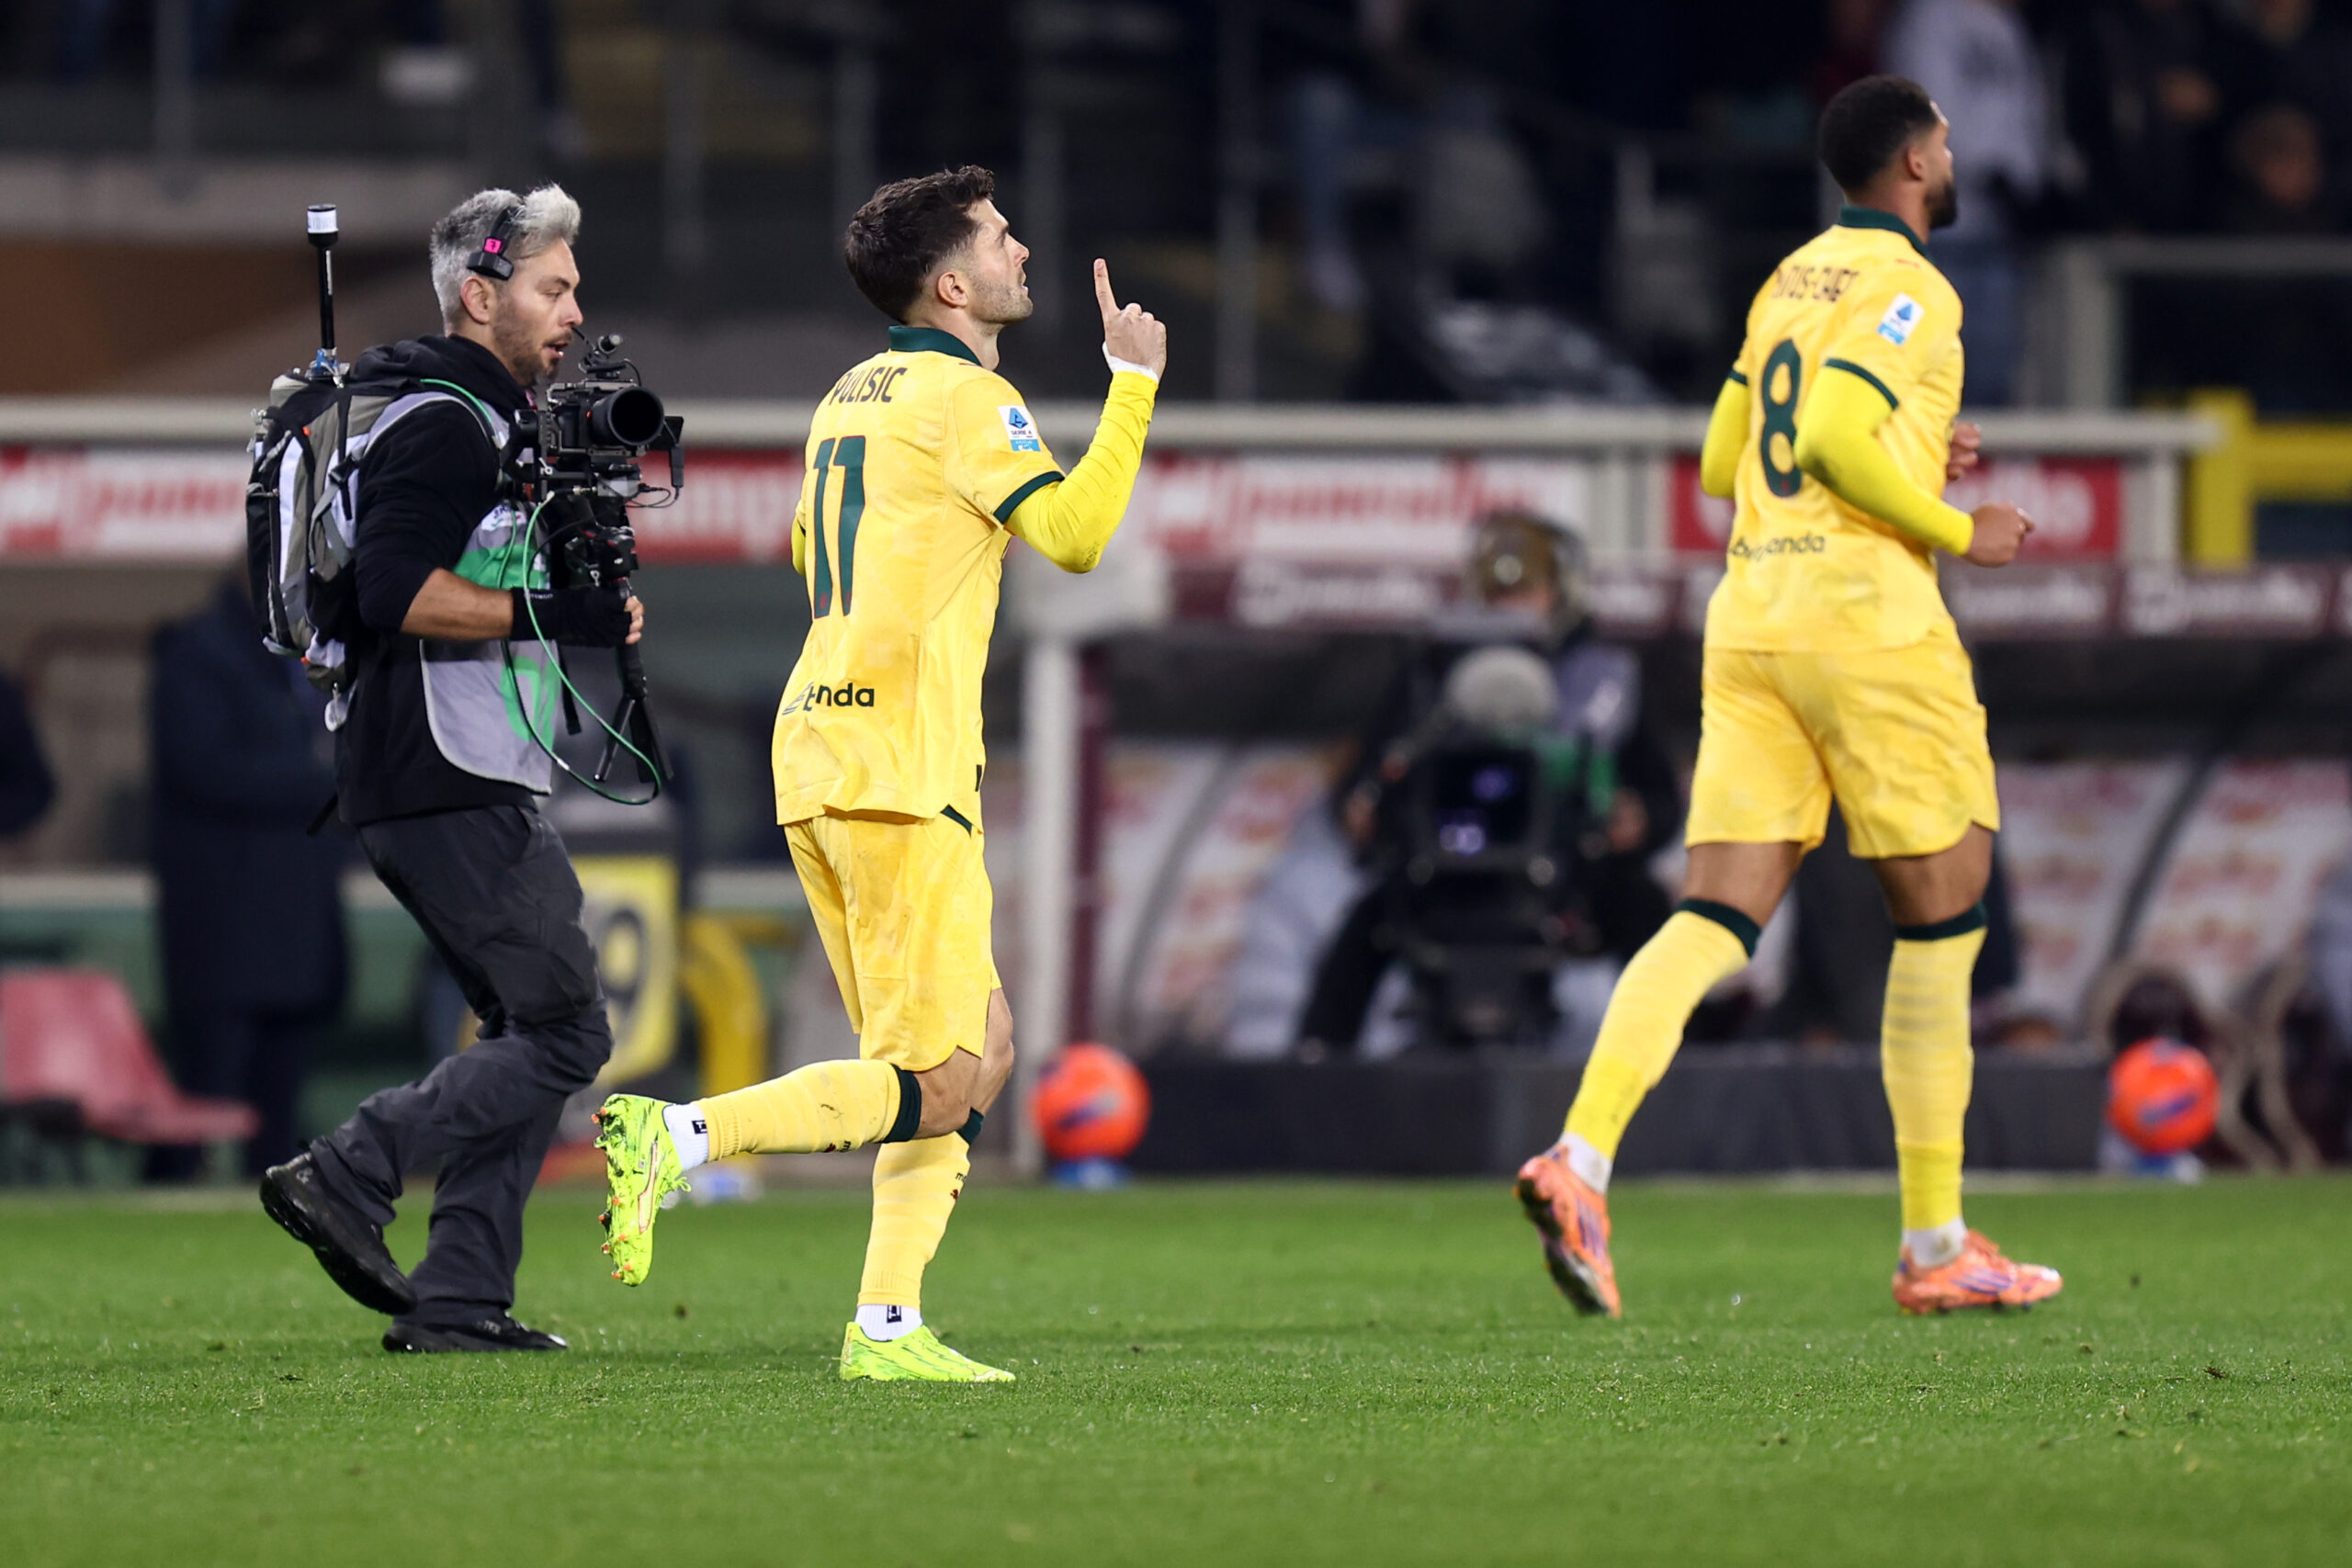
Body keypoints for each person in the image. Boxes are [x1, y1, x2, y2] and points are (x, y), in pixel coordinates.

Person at [592, 166, 1165, 1382]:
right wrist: (1133, 385)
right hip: (902, 765)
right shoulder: (971, 397)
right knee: (940, 1076)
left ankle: (888, 1325)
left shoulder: (846, 398)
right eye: (998, 238)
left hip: (822, 745)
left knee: (977, 1049)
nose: (1021, 251)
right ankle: (680, 1133)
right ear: (950, 285)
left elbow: (819, 555)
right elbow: (1072, 537)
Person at [1512, 75, 2060, 1320]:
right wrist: (1956, 524)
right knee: (1943, 916)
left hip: (1755, 612)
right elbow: (1829, 440)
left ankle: (1581, 1161)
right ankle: (1935, 1244)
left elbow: (1725, 458)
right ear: (1913, 162)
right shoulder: (1915, 286)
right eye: (1945, 141)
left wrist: (1911, 447)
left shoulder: (1790, 278)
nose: (1953, 155)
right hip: (1868, 623)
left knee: (1714, 912)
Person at [257, 184, 645, 1354]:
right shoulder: (446, 420)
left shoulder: (461, 409)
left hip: (429, 766)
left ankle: (461, 1298)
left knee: (529, 1027)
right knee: (566, 1034)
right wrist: (555, 613)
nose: (574, 312)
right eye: (553, 289)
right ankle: (349, 1169)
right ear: (481, 295)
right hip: (442, 764)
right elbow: (395, 590)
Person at [1294, 512, 1679, 1055]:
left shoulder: (1604, 679)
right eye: (1498, 596)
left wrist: (1638, 820)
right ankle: (1315, 1062)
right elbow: (1368, 777)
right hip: (1443, 871)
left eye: (1526, 593)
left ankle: (1686, 1060)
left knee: (1645, 912)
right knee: (1370, 922)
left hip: (1568, 873)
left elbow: (1660, 799)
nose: (1511, 609)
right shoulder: (1429, 677)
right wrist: (1358, 811)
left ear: (1558, 595)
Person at [149, 574, 347, 1179]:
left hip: (300, 925)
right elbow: (201, 767)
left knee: (278, 1112)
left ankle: (274, 1209)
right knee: (205, 1098)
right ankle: (171, 1202)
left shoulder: (316, 655)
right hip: (224, 925)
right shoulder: (199, 653)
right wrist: (325, 780)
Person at [1883, 0, 2045, 406]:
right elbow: (1929, 113)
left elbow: (2030, 113)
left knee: (1992, 373)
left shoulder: (2007, 25)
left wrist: (2025, 181)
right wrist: (1988, 170)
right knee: (1926, 366)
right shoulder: (1930, 17)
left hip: (1999, 231)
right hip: (1936, 229)